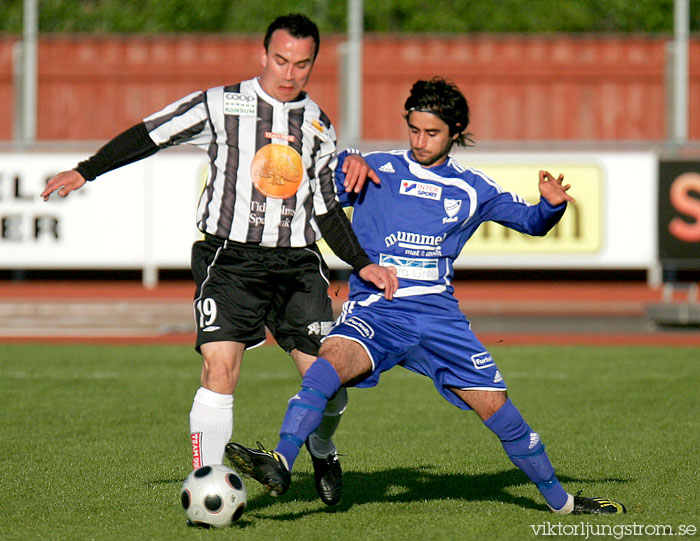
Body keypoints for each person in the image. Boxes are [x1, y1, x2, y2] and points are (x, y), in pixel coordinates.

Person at [40, 13, 398, 508]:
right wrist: (88, 171)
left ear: (314, 63)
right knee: (218, 369)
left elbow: (326, 207)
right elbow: (152, 133)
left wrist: (360, 262)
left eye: (301, 64)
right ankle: (207, 484)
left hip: (297, 266)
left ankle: (322, 446)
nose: (289, 73)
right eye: (280, 60)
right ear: (262, 54)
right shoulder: (220, 104)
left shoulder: (317, 123)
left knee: (328, 380)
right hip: (229, 261)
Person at [225, 77, 627, 515]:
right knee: (327, 366)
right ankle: (282, 460)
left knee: (501, 413)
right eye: (413, 130)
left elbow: (532, 221)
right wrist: (341, 164)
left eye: (431, 132)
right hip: (379, 311)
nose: (420, 141)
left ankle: (562, 503)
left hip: (440, 319)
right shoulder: (375, 168)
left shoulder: (474, 188)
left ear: (456, 130)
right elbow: (310, 195)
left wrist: (551, 205)